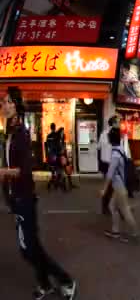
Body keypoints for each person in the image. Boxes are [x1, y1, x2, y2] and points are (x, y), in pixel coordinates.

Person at [0, 87, 77, 300]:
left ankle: (65, 280)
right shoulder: (11, 131)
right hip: (17, 198)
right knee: (31, 246)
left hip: (23, 198)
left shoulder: (22, 135)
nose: (4, 105)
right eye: (3, 102)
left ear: (16, 105)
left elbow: (25, 170)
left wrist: (3, 172)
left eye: (7, 102)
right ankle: (45, 284)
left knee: (29, 249)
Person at [102, 128, 138, 242]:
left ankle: (134, 232)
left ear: (111, 139)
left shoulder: (115, 155)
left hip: (119, 186)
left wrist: (104, 189)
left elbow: (110, 174)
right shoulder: (120, 149)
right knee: (113, 207)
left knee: (125, 210)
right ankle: (115, 231)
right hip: (119, 185)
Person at [99, 115, 131, 214]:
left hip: (105, 163)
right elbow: (123, 149)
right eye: (117, 122)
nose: (119, 124)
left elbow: (99, 147)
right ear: (113, 123)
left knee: (111, 187)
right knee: (116, 186)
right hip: (114, 162)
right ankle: (119, 208)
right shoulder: (117, 134)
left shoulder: (103, 133)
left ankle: (107, 207)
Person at [45, 123, 61, 191]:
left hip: (50, 155)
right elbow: (58, 145)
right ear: (55, 127)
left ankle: (53, 178)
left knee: (53, 168)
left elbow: (47, 146)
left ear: (50, 128)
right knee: (57, 168)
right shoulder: (57, 135)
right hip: (56, 155)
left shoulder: (48, 136)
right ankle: (56, 182)